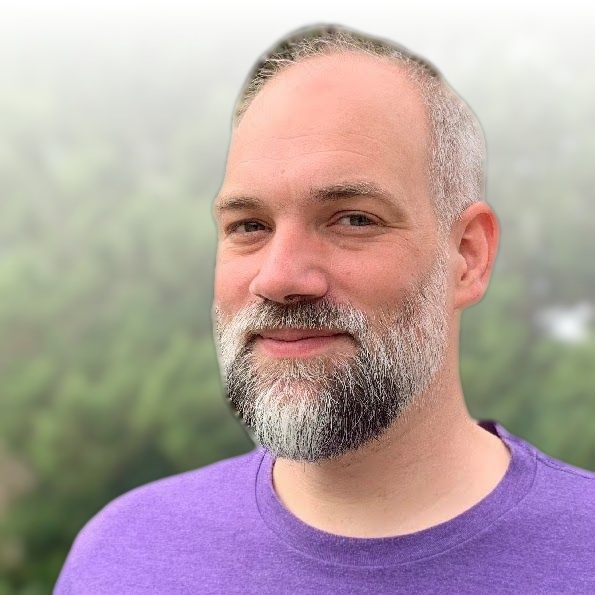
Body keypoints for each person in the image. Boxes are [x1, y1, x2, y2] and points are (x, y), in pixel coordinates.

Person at [55, 25, 595, 594]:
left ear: (467, 256)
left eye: (353, 219)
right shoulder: (125, 556)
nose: (279, 278)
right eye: (249, 226)